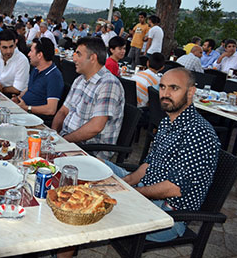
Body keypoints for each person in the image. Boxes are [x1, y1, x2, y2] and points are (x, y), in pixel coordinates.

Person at [106, 68, 219, 242]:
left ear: (191, 92)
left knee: (100, 212)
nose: (165, 94)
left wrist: (130, 193)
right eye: (163, 87)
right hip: (146, 191)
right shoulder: (167, 121)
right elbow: (149, 164)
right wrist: (125, 182)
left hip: (168, 214)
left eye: (174, 88)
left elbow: (173, 188)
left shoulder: (199, 133)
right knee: (93, 165)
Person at [51, 37, 124, 160]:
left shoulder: (109, 84)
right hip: (68, 142)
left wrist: (64, 141)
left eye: (78, 54)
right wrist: (52, 136)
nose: (74, 58)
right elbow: (63, 111)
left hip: (89, 152)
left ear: (92, 58)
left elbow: (95, 127)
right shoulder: (80, 80)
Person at [12, 37, 64, 117]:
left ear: (39, 55)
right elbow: (30, 89)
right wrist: (18, 98)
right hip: (23, 111)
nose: (29, 54)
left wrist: (27, 108)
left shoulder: (54, 77)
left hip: (34, 117)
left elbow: (51, 109)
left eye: (31, 51)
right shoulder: (36, 69)